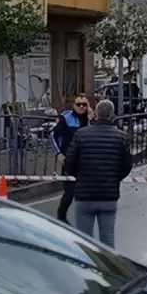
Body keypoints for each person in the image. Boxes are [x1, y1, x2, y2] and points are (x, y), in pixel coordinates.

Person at [63, 99, 133, 248]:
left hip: (84, 195)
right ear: (112, 115)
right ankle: (108, 270)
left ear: (95, 114)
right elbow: (127, 166)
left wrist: (80, 176)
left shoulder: (81, 134)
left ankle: (86, 270)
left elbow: (69, 162)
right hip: (108, 195)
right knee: (108, 241)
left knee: (85, 242)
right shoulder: (121, 137)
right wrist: (114, 178)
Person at [50, 94, 91, 222]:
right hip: (70, 160)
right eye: (78, 104)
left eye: (84, 104)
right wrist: (59, 154)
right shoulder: (66, 117)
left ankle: (85, 218)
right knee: (69, 192)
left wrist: (91, 119)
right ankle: (61, 215)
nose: (81, 107)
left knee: (87, 192)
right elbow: (52, 136)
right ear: (74, 105)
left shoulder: (92, 118)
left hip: (87, 160)